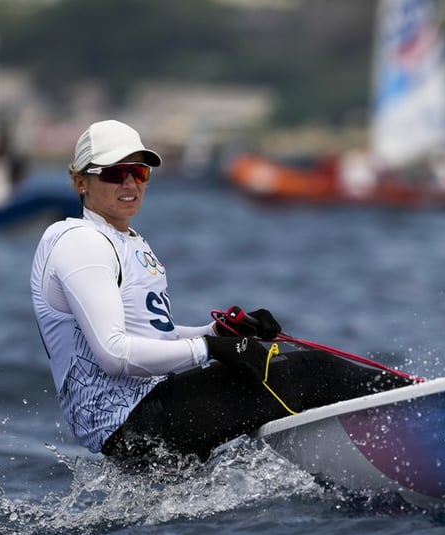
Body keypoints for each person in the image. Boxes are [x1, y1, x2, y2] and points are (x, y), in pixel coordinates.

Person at [31, 119, 413, 466]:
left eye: (139, 171)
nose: (130, 183)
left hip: (148, 413)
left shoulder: (125, 241)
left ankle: (388, 441)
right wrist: (209, 351)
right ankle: (423, 406)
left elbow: (149, 338)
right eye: (115, 173)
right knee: (313, 371)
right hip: (135, 421)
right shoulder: (81, 243)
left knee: (290, 367)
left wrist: (216, 334)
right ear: (81, 181)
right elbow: (115, 354)